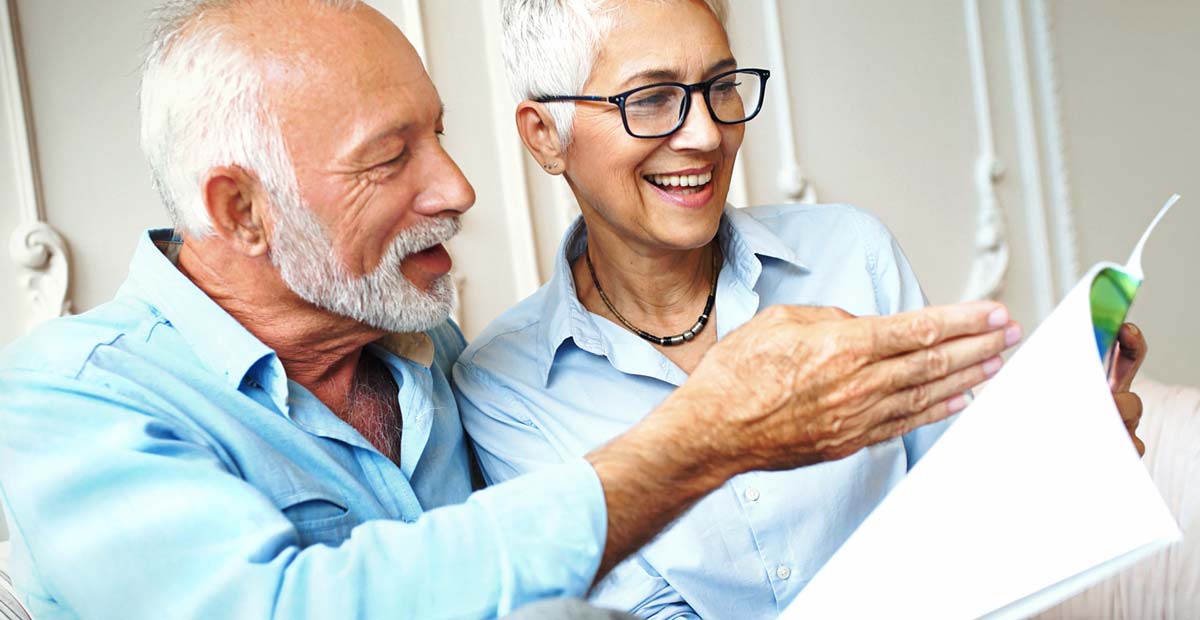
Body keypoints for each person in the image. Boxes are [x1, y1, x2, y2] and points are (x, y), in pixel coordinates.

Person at [0, 1, 1021, 619]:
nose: (456, 187)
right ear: (242, 209)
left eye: (438, 136)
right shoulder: (68, 402)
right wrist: (703, 438)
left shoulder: (427, 358)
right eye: (391, 158)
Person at [453, 1, 1150, 618]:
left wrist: (1064, 452)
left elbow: (967, 505)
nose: (705, 134)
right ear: (545, 134)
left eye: (721, 87)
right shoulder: (504, 383)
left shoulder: (851, 254)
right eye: (654, 98)